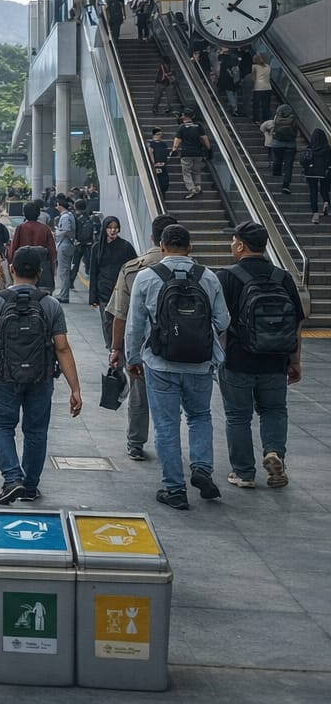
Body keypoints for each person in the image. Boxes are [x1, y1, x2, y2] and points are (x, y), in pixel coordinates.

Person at [124, 224, 230, 510]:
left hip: (160, 363)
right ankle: (201, 469)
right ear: (190, 247)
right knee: (199, 416)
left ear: (161, 245)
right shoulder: (208, 277)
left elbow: (134, 325)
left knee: (166, 425)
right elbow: (223, 320)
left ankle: (174, 488)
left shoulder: (147, 277)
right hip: (199, 363)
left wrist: (132, 359)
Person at [0, 248, 83, 504]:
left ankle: (12, 477)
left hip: (5, 378)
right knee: (36, 430)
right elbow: (62, 347)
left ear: (12, 270)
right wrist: (75, 389)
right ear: (40, 273)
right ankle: (29, 486)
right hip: (41, 378)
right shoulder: (50, 305)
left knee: (0, 426)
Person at [217, 221, 303, 489]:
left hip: (238, 360)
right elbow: (297, 323)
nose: (231, 245)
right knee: (274, 410)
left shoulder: (226, 277)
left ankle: (243, 473)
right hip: (276, 359)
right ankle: (274, 452)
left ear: (241, 245)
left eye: (232, 241)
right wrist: (295, 360)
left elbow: (218, 322)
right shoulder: (282, 277)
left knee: (238, 417)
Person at [106, 214, 177, 461]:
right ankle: (170, 443)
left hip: (144, 345)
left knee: (139, 393)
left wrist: (116, 348)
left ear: (153, 237)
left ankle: (136, 443)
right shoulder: (199, 272)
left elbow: (120, 315)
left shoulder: (134, 268)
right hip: (185, 347)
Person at [87, 217, 138, 348]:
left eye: (115, 227)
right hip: (103, 290)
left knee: (121, 320)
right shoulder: (97, 247)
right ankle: (111, 347)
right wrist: (92, 297)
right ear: (104, 229)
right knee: (107, 322)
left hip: (122, 290)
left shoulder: (126, 246)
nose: (113, 230)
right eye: (110, 227)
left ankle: (119, 346)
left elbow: (135, 267)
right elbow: (93, 272)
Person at [8, 201, 56, 291]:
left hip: (23, 266)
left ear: (24, 214)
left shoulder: (21, 228)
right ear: (38, 214)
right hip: (41, 265)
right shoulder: (45, 229)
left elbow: (13, 248)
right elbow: (52, 252)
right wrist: (52, 268)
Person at [171, 108, 212, 199]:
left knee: (187, 172)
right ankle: (198, 186)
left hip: (186, 153)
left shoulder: (182, 127)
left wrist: (174, 150)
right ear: (193, 116)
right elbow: (205, 138)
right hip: (198, 153)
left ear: (184, 116)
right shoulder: (198, 126)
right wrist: (209, 149)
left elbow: (177, 140)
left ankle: (191, 188)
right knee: (197, 171)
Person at [267, 104, 298, 192]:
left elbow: (273, 128)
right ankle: (286, 185)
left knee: (277, 160)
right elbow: (295, 131)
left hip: (277, 144)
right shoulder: (293, 119)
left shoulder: (276, 118)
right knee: (288, 166)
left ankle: (276, 176)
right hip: (290, 145)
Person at [52, 196, 76, 304]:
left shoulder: (65, 217)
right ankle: (63, 293)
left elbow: (66, 230)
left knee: (63, 271)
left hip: (64, 244)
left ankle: (64, 295)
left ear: (59, 205)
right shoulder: (69, 215)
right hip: (67, 244)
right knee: (64, 270)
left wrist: (56, 233)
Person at [306, 128, 331, 222]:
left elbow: (304, 160)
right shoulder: (328, 149)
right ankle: (326, 202)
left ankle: (315, 214)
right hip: (324, 172)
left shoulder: (310, 148)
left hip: (311, 173)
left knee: (313, 192)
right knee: (324, 188)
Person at [147, 127, 171, 198]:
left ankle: (163, 193)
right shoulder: (151, 144)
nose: (160, 136)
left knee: (165, 181)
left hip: (163, 164)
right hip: (156, 165)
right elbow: (150, 153)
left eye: (160, 134)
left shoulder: (163, 144)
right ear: (154, 135)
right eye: (158, 134)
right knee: (160, 181)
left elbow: (165, 153)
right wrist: (153, 164)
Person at [250, 53, 274, 122]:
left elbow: (253, 78)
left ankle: (256, 119)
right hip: (268, 88)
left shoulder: (254, 67)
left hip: (258, 88)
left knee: (256, 105)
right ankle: (265, 119)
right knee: (266, 105)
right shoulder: (268, 66)